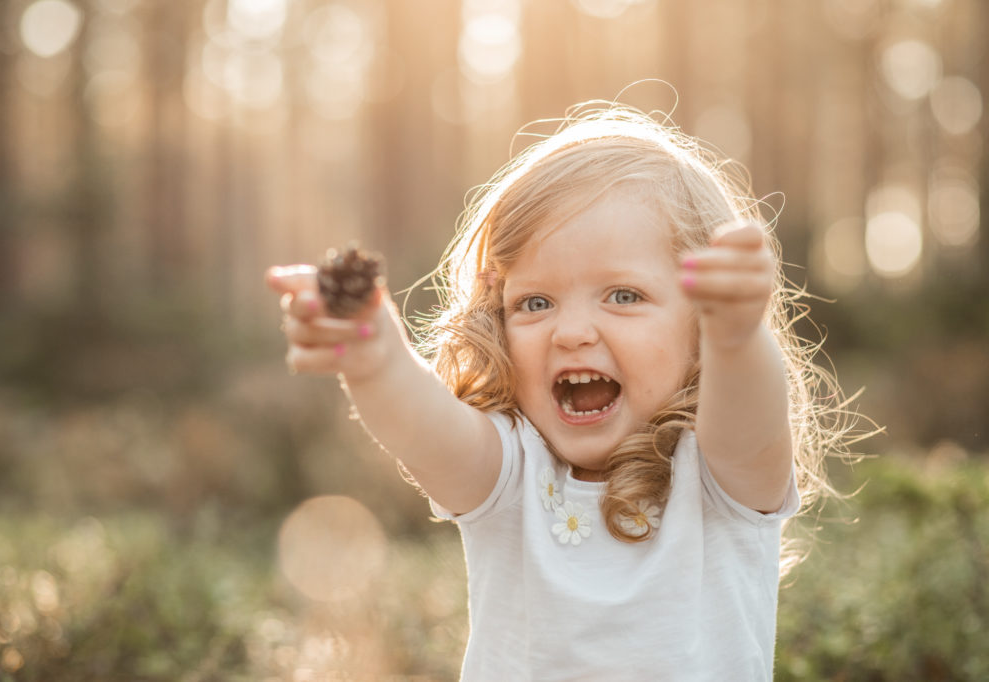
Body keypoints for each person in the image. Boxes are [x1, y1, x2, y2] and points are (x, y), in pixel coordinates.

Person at [266, 101, 847, 681]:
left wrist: (737, 335)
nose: (570, 333)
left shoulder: (721, 478)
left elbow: (749, 413)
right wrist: (376, 359)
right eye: (535, 303)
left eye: (623, 295)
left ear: (699, 327)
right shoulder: (513, 472)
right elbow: (427, 429)